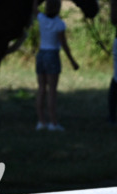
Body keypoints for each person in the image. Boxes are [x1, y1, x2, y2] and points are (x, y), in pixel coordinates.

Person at [35, 0, 79, 132]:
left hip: (41, 54)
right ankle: (53, 122)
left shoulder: (41, 18)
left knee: (42, 88)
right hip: (52, 55)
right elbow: (64, 45)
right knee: (52, 90)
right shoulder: (59, 24)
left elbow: (33, 8)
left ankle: (41, 121)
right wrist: (72, 61)